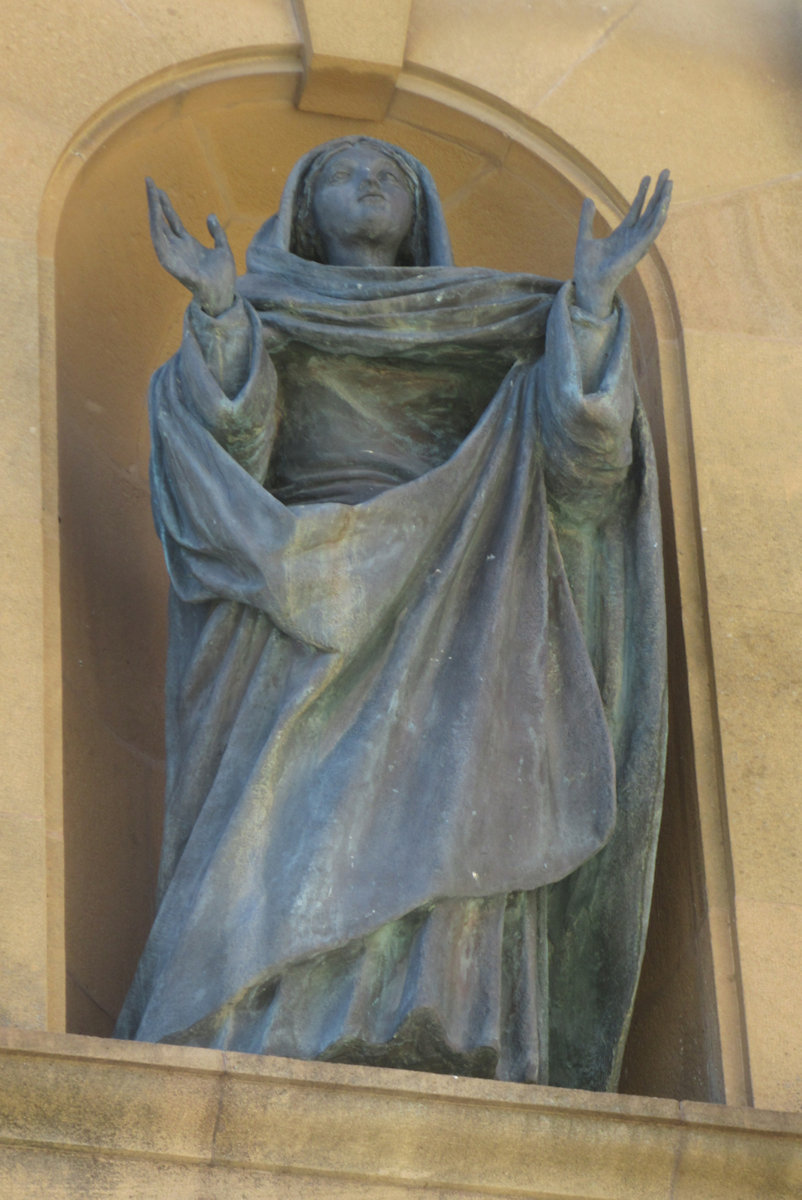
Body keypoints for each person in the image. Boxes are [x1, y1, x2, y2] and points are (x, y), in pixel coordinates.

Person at [114, 137, 670, 1091]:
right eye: (339, 171)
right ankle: (271, 1025)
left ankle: (437, 1021)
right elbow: (225, 455)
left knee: (459, 795)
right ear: (302, 203)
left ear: (418, 212)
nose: (366, 182)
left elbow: (585, 480)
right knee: (281, 817)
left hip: (465, 592)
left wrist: (587, 310)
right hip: (303, 590)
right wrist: (215, 309)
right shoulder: (268, 311)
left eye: (389, 176)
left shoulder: (491, 324)